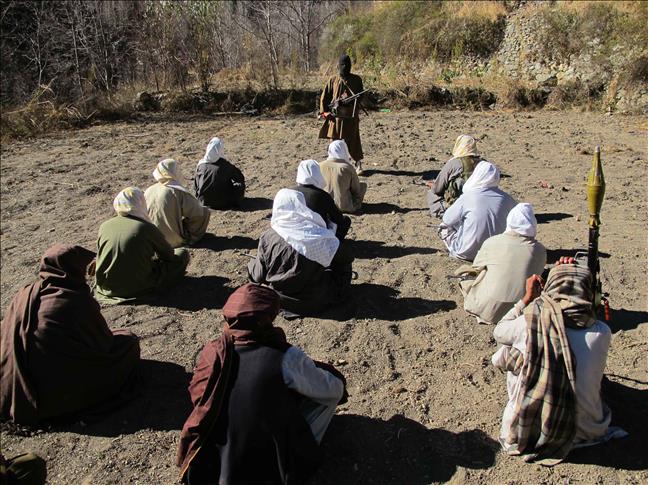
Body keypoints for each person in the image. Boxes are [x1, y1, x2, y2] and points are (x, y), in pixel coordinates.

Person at [176, 283, 346, 484]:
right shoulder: (284, 357)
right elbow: (333, 390)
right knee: (329, 394)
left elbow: (198, 396)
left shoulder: (213, 352)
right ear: (266, 319)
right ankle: (297, 454)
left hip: (210, 463)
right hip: (266, 467)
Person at [491, 259, 623, 465]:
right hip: (588, 429)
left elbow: (499, 331)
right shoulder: (602, 332)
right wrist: (576, 270)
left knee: (510, 352)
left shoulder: (529, 323)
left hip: (529, 434)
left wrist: (527, 299)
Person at [0, 244, 140, 424]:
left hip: (13, 383)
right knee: (128, 343)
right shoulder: (74, 298)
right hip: (53, 392)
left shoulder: (26, 293)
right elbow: (103, 343)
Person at [248, 188, 354, 318]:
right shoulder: (317, 236)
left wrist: (254, 264)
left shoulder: (268, 236)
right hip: (316, 300)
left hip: (280, 300)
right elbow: (347, 257)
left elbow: (257, 276)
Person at [95, 187, 190, 304]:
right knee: (182, 253)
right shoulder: (146, 227)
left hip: (107, 288)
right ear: (140, 203)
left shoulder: (104, 226)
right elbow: (169, 255)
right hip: (140, 287)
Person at [456, 203, 547, 324]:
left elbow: (476, 267)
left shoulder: (493, 242)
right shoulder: (540, 250)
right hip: (521, 310)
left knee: (468, 272)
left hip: (486, 310)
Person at [439, 161, 516, 261]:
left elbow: (447, 219)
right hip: (496, 252)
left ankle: (459, 248)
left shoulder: (468, 196)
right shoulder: (507, 199)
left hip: (467, 253)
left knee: (445, 226)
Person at [144, 158, 210, 248]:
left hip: (151, 239)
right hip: (171, 241)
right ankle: (190, 239)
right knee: (204, 212)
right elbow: (198, 213)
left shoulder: (149, 190)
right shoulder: (177, 191)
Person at [319, 54, 365, 174]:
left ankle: (358, 164)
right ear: (339, 66)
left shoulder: (356, 80)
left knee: (353, 141)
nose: (345, 67)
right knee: (334, 143)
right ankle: (333, 165)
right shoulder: (333, 80)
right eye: (342, 65)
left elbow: (361, 96)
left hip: (350, 117)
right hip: (335, 117)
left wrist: (350, 101)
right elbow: (325, 97)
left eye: (347, 65)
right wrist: (324, 112)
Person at [291, 159, 351, 240]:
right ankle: (337, 243)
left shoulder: (291, 192)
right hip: (316, 236)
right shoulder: (322, 195)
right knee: (346, 221)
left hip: (294, 233)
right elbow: (338, 219)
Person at [427, 135, 482, 218]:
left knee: (432, 193)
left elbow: (437, 189)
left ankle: (445, 215)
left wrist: (433, 185)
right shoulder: (483, 163)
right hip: (480, 203)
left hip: (459, 204)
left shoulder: (453, 163)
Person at [194, 137, 245, 209]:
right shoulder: (225, 165)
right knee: (239, 184)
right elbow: (240, 177)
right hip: (224, 203)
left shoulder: (201, 165)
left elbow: (196, 185)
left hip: (204, 201)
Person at [319, 140, 367, 214]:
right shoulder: (347, 168)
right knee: (363, 186)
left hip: (324, 206)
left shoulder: (320, 165)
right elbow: (356, 190)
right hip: (344, 207)